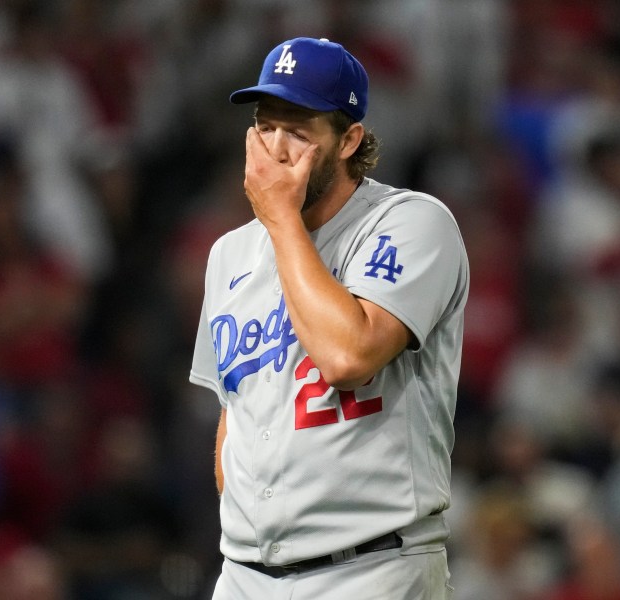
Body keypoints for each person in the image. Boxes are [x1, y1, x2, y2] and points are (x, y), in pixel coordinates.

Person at [189, 37, 469, 599]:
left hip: (372, 568)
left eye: (298, 130)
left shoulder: (412, 223)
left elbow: (349, 357)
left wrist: (282, 221)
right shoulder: (229, 255)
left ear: (349, 141)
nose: (275, 147)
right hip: (245, 574)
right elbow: (234, 410)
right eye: (266, 126)